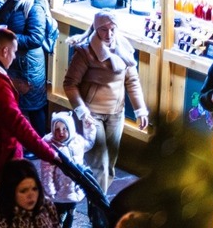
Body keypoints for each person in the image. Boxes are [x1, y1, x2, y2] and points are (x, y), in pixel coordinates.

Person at [0, 29, 60, 228]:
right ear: (5, 51)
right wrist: (48, 153)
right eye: (14, 52)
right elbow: (18, 124)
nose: (14, 57)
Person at [62, 11, 149, 194]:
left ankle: (99, 196)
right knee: (98, 163)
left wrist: (140, 110)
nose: (109, 34)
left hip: (116, 112)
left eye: (112, 29)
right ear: (95, 28)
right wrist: (81, 111)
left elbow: (132, 81)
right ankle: (98, 204)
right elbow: (70, 83)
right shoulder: (85, 52)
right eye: (103, 29)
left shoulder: (124, 48)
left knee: (110, 162)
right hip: (91, 114)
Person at [0, 0, 50, 135]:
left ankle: (40, 143)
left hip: (29, 66)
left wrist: (9, 37)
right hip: (15, 63)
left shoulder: (34, 8)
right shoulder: (13, 2)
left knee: (34, 107)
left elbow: (35, 38)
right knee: (17, 105)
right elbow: (1, 17)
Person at [37, 113, 95, 228]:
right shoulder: (50, 146)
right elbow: (46, 171)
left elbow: (89, 143)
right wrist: (50, 190)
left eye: (65, 129)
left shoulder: (77, 141)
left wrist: (90, 128)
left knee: (71, 212)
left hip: (74, 188)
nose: (61, 132)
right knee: (58, 214)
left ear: (71, 128)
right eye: (57, 129)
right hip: (58, 190)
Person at [0, 160, 58, 228]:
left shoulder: (46, 206)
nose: (31, 195)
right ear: (10, 193)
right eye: (23, 191)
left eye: (34, 189)